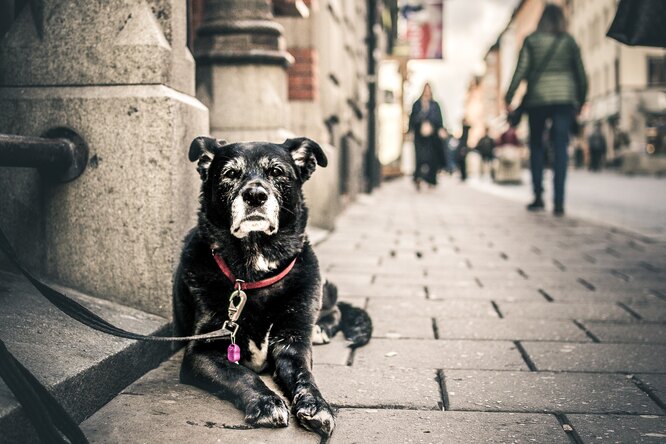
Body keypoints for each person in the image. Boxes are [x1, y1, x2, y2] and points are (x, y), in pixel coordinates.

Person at [505, 4, 587, 216]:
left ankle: (538, 196)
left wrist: (509, 95)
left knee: (536, 146)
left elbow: (521, 69)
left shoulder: (532, 40)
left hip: (537, 98)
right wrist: (581, 100)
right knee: (561, 147)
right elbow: (580, 73)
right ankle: (559, 202)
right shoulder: (568, 41)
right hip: (564, 99)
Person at [408, 83, 445, 189]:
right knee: (420, 157)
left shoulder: (435, 105)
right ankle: (418, 178)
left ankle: (431, 179)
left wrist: (440, 129)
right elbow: (412, 119)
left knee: (432, 158)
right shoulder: (417, 104)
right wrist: (411, 131)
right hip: (420, 136)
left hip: (432, 137)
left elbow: (439, 120)